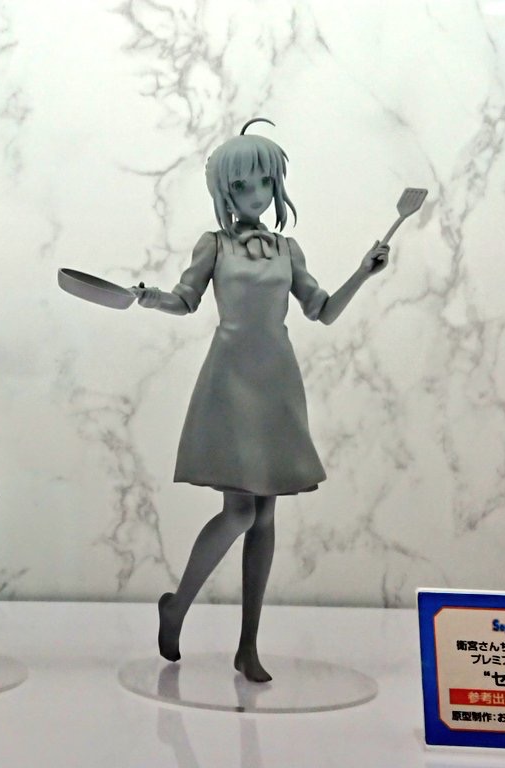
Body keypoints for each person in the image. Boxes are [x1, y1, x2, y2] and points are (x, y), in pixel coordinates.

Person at [133, 119, 389, 682]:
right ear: (224, 192)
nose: (257, 194)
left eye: (265, 183)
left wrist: (362, 274)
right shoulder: (215, 244)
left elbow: (322, 310)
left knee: (266, 515)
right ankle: (177, 605)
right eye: (243, 185)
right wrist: (151, 298)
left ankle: (248, 645)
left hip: (276, 381)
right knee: (241, 510)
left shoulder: (286, 249)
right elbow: (185, 299)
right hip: (230, 380)